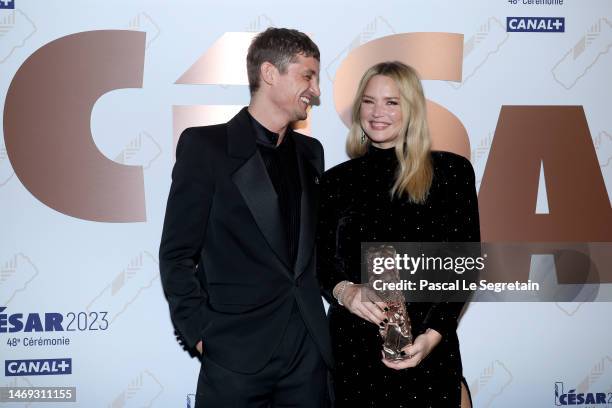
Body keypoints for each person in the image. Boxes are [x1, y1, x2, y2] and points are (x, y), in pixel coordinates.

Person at [159, 27, 332, 408]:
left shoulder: (310, 153)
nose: (316, 91)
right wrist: (199, 331)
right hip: (236, 353)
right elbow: (176, 254)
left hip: (307, 354)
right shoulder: (206, 148)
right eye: (308, 76)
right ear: (269, 73)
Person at [316, 61, 480, 407]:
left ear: (412, 109)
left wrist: (433, 337)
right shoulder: (335, 182)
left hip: (429, 344)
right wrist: (345, 291)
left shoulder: (451, 173)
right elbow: (320, 265)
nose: (378, 113)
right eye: (369, 101)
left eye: (392, 102)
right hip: (355, 353)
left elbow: (464, 266)